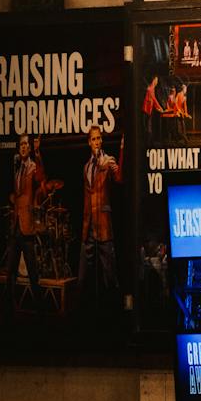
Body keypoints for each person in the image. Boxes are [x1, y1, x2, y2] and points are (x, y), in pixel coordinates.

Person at [78, 125, 121, 316]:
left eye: (99, 139)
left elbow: (119, 178)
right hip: (89, 229)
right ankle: (86, 314)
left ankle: (113, 314)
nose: (97, 142)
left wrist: (122, 151)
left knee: (109, 276)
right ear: (89, 142)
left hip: (104, 226)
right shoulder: (86, 167)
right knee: (84, 278)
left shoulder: (108, 160)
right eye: (93, 139)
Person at [2, 134, 43, 316]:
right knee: (10, 271)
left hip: (27, 227)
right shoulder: (17, 168)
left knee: (33, 272)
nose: (24, 147)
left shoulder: (33, 166)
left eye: (26, 144)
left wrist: (38, 153)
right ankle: (8, 308)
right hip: (16, 226)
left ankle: (39, 308)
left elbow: (41, 178)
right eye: (22, 144)